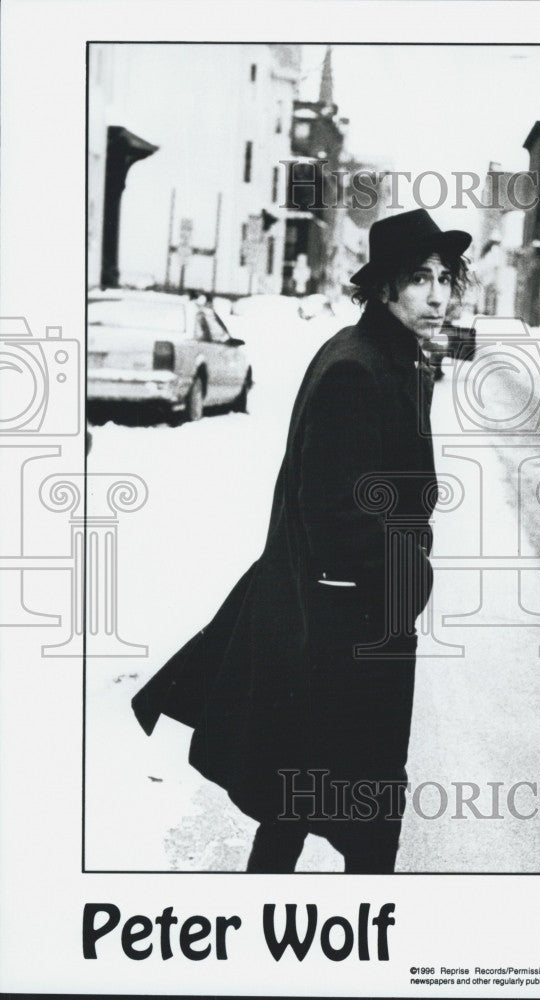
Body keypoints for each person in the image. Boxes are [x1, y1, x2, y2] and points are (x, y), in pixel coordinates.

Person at [131, 208, 471, 873]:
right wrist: (407, 579)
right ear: (383, 288)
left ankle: (270, 919)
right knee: (367, 810)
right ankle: (363, 954)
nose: (437, 295)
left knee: (298, 794)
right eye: (419, 279)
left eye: (443, 279)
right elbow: (335, 519)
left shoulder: (390, 356)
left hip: (343, 627)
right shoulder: (359, 369)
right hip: (347, 635)